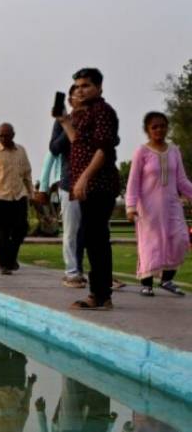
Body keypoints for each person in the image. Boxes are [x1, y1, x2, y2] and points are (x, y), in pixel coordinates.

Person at [59, 68, 122, 311]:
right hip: (86, 184)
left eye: (85, 85)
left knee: (96, 239)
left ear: (99, 87)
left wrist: (84, 178)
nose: (80, 90)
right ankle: (100, 293)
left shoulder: (103, 112)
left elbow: (103, 150)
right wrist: (65, 121)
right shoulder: (82, 114)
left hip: (100, 183)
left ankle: (100, 294)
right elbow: (78, 142)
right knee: (90, 237)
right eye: (76, 86)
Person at [125, 112, 191, 297]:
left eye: (162, 126)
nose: (159, 129)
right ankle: (147, 284)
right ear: (147, 130)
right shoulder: (142, 152)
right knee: (150, 244)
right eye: (154, 126)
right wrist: (130, 207)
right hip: (148, 207)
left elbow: (182, 181)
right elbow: (133, 181)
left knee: (180, 239)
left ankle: (167, 280)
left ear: (167, 127)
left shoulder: (174, 151)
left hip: (172, 206)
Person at [38, 85, 87, 288]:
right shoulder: (62, 122)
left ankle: (89, 270)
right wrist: (67, 124)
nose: (81, 96)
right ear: (70, 100)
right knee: (71, 230)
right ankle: (72, 271)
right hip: (70, 181)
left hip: (95, 182)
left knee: (92, 231)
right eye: (77, 94)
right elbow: (54, 148)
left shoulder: (96, 117)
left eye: (85, 91)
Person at [0, 124, 33, 275]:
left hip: (18, 196)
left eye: (6, 135)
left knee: (21, 229)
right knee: (1, 233)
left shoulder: (21, 151)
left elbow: (27, 174)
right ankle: (5, 264)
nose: (3, 138)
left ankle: (10, 257)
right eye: (0, 135)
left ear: (13, 135)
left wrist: (31, 194)